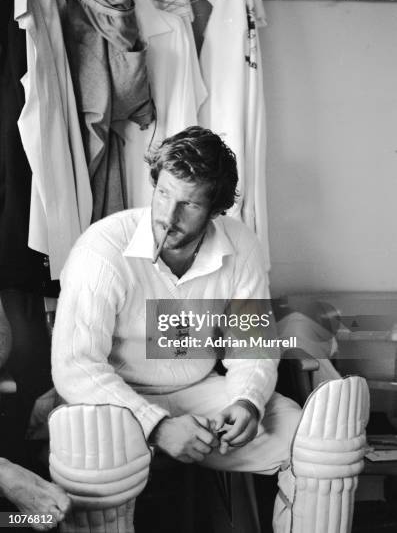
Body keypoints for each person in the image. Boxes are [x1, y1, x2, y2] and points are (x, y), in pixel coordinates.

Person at [51, 126, 301, 528]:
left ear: (217, 208)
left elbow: (252, 342)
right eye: (164, 193)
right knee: (97, 459)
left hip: (198, 394)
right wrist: (157, 426)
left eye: (189, 204)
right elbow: (75, 366)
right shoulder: (101, 249)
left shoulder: (243, 244)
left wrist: (247, 401)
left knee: (313, 442)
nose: (168, 216)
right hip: (112, 399)